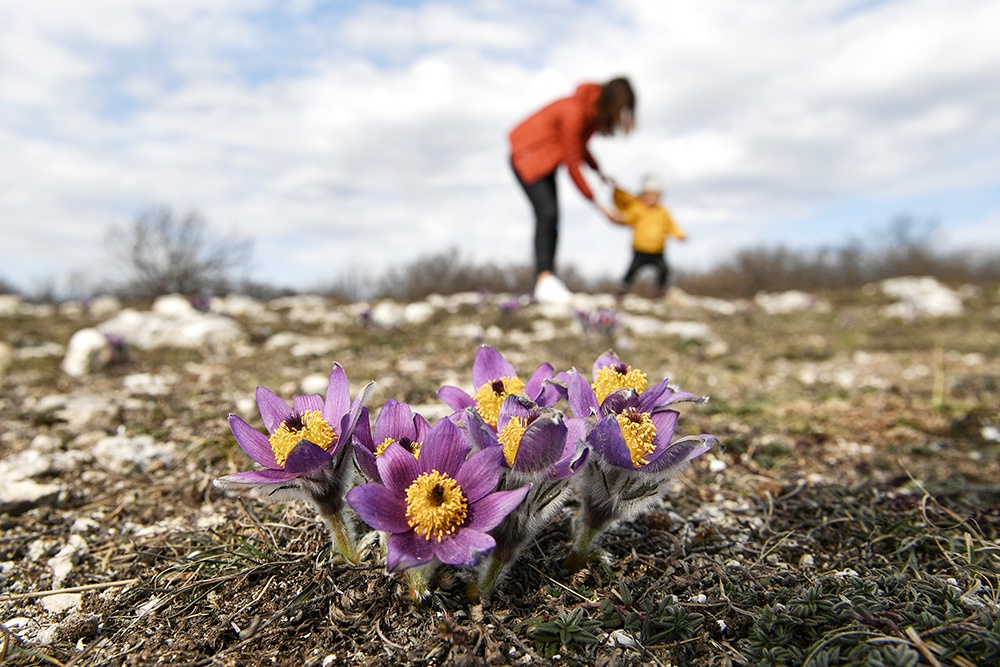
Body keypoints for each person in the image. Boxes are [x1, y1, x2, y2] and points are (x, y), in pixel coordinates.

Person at [509, 77, 636, 304]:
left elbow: (579, 147)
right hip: (527, 155)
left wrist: (599, 172)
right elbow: (573, 163)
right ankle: (545, 280)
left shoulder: (587, 110)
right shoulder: (574, 112)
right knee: (547, 213)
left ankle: (546, 280)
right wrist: (599, 206)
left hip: (544, 158)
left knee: (551, 216)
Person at [611, 174, 686, 299]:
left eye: (655, 195)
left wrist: (679, 234)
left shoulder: (663, 211)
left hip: (658, 250)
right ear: (642, 196)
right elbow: (627, 218)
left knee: (665, 271)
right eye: (648, 195)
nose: (651, 198)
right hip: (640, 249)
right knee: (632, 270)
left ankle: (660, 292)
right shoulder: (637, 208)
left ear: (659, 196)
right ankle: (622, 290)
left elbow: (671, 225)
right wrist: (619, 217)